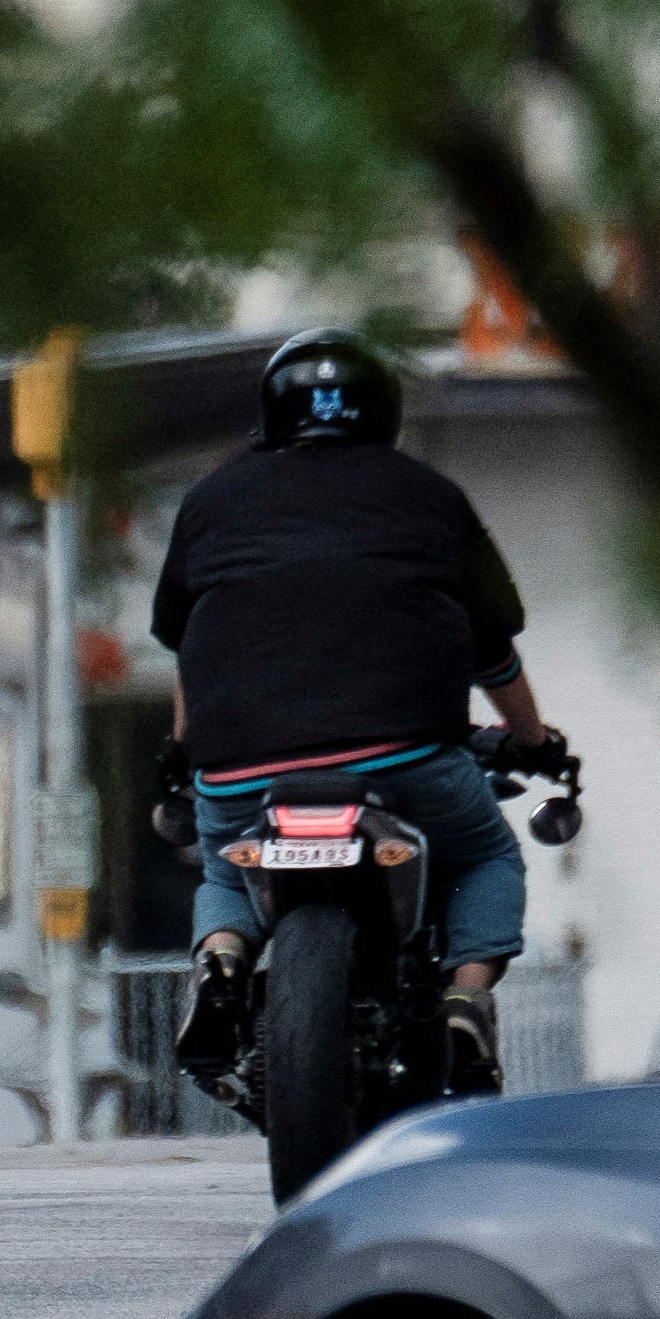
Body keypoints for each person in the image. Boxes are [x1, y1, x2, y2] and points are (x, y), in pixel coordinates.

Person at [150, 329, 563, 1094]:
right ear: (384, 413)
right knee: (487, 856)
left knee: (222, 864)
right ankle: (466, 999)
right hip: (406, 760)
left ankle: (220, 961)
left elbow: (190, 647)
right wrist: (535, 743)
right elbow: (493, 652)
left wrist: (184, 754)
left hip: (240, 767)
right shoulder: (431, 495)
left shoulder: (210, 501)